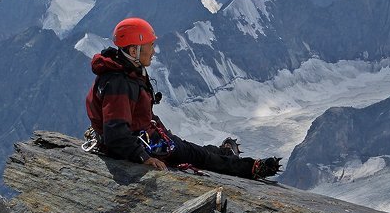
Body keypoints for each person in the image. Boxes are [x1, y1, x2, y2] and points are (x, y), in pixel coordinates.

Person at [85, 17, 281, 179]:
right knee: (195, 155)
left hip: (143, 137)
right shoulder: (120, 83)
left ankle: (224, 153)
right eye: (150, 46)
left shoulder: (124, 72)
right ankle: (249, 168)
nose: (153, 51)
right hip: (140, 144)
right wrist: (143, 157)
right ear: (134, 50)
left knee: (190, 150)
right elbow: (116, 134)